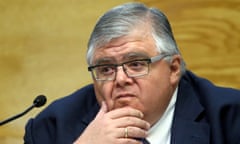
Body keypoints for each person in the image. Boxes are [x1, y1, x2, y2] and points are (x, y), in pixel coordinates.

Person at [24, 2, 240, 144]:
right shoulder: (51, 128)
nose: (120, 79)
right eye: (106, 69)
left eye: (136, 64)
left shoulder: (230, 118)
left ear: (173, 69)